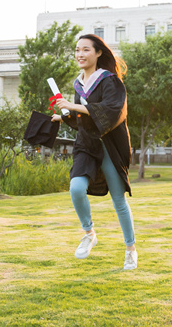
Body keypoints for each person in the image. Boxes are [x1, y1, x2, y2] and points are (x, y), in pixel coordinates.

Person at [51, 34, 137, 270]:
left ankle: (130, 249)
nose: (80, 54)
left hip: (109, 145)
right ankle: (89, 233)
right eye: (77, 50)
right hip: (87, 145)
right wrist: (64, 115)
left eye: (86, 50)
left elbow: (112, 112)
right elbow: (83, 119)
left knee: (118, 200)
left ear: (98, 53)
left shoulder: (110, 82)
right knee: (76, 188)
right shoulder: (79, 84)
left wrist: (74, 106)